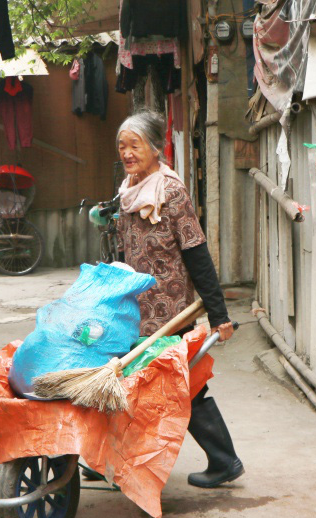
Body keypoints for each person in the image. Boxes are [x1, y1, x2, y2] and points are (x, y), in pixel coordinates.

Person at [114, 111, 244, 488]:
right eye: (122, 145)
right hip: (137, 311)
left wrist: (218, 314)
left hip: (171, 312)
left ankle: (223, 460)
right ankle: (218, 460)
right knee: (152, 385)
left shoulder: (170, 192)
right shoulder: (128, 191)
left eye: (134, 145)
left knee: (185, 386)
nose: (127, 153)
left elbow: (197, 254)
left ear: (156, 149)